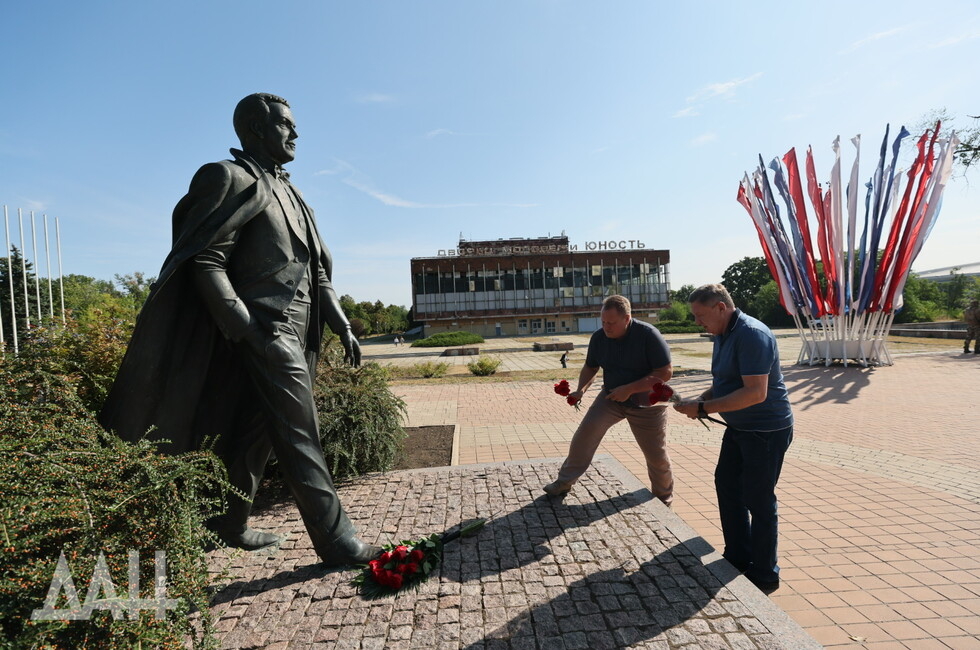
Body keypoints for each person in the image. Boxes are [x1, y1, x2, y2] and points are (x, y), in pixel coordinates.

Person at [99, 93, 381, 567]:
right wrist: (248, 329)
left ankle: (227, 523)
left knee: (259, 430)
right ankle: (337, 542)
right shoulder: (226, 177)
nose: (295, 133)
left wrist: (342, 324)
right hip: (266, 329)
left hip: (301, 331)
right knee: (300, 432)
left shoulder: (293, 192)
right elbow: (205, 260)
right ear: (254, 128)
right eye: (286, 124)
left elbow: (317, 272)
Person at [673, 284, 793, 592]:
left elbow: (755, 393)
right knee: (727, 485)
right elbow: (726, 382)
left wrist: (703, 408)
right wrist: (701, 400)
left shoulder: (752, 334)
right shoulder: (722, 333)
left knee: (759, 499)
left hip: (765, 431)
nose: (697, 322)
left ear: (720, 308)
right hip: (740, 428)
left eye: (700, 315)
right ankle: (738, 556)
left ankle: (765, 573)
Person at [543, 295, 674, 505]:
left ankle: (663, 498)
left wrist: (629, 389)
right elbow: (591, 367)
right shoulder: (599, 338)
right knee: (585, 435)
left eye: (611, 323)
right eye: (603, 321)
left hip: (647, 403)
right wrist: (581, 390)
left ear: (627, 318)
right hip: (611, 398)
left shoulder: (648, 335)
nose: (606, 327)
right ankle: (564, 481)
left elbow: (665, 372)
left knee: (656, 455)